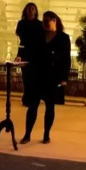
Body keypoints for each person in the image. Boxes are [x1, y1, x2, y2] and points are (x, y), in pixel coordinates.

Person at [20, 10, 70, 144]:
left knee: (50, 106)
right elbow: (30, 51)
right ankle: (27, 134)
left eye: (47, 21)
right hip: (38, 74)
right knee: (33, 105)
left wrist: (64, 77)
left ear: (54, 21)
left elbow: (66, 59)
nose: (45, 24)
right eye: (43, 21)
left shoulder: (63, 38)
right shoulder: (38, 36)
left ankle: (46, 134)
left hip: (53, 76)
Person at [15, 2, 44, 106]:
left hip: (36, 53)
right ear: (26, 11)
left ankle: (34, 97)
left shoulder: (40, 24)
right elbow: (21, 41)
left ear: (35, 11)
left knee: (35, 77)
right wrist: (19, 55)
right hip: (25, 52)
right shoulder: (21, 23)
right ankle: (26, 98)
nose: (31, 11)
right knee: (26, 77)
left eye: (33, 9)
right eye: (29, 9)